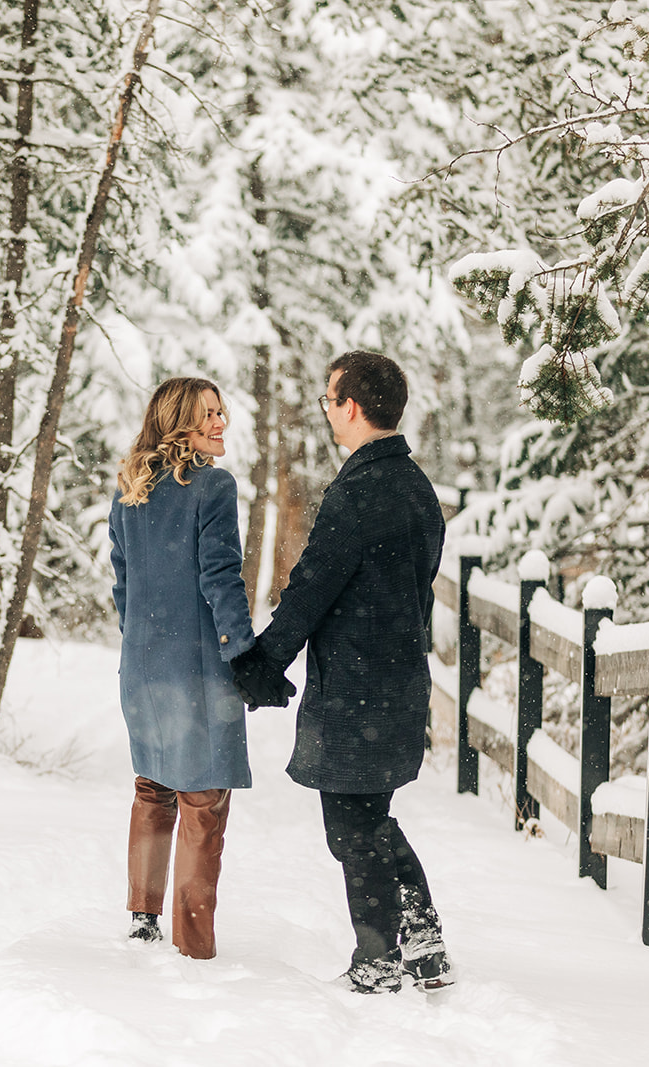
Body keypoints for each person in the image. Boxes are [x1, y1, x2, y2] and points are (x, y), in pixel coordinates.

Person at [229, 350, 451, 994]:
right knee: (370, 818)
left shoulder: (358, 492)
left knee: (353, 827)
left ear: (351, 407)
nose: (328, 410)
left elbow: (313, 587)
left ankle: (378, 961)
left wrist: (265, 660)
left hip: (358, 689)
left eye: (330, 399)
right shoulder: (416, 487)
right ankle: (423, 942)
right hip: (399, 681)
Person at [108, 377, 286, 960]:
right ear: (178, 423)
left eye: (221, 412)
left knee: (153, 786)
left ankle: (143, 918)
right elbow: (220, 576)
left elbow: (123, 584)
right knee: (203, 801)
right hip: (196, 667)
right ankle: (193, 945)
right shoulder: (211, 485)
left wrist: (142, 641)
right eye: (208, 414)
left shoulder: (130, 490)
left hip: (142, 666)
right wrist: (243, 650)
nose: (220, 423)